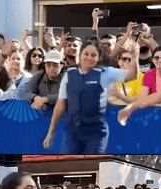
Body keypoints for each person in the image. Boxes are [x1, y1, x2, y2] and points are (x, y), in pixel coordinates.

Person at [42, 24, 140, 154]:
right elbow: (60, 105)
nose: (89, 57)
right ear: (80, 56)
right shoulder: (69, 75)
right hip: (72, 134)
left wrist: (135, 56)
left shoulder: (106, 73)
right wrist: (50, 132)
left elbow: (132, 76)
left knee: (92, 167)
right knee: (69, 167)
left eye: (93, 55)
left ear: (98, 57)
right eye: (86, 54)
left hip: (96, 134)